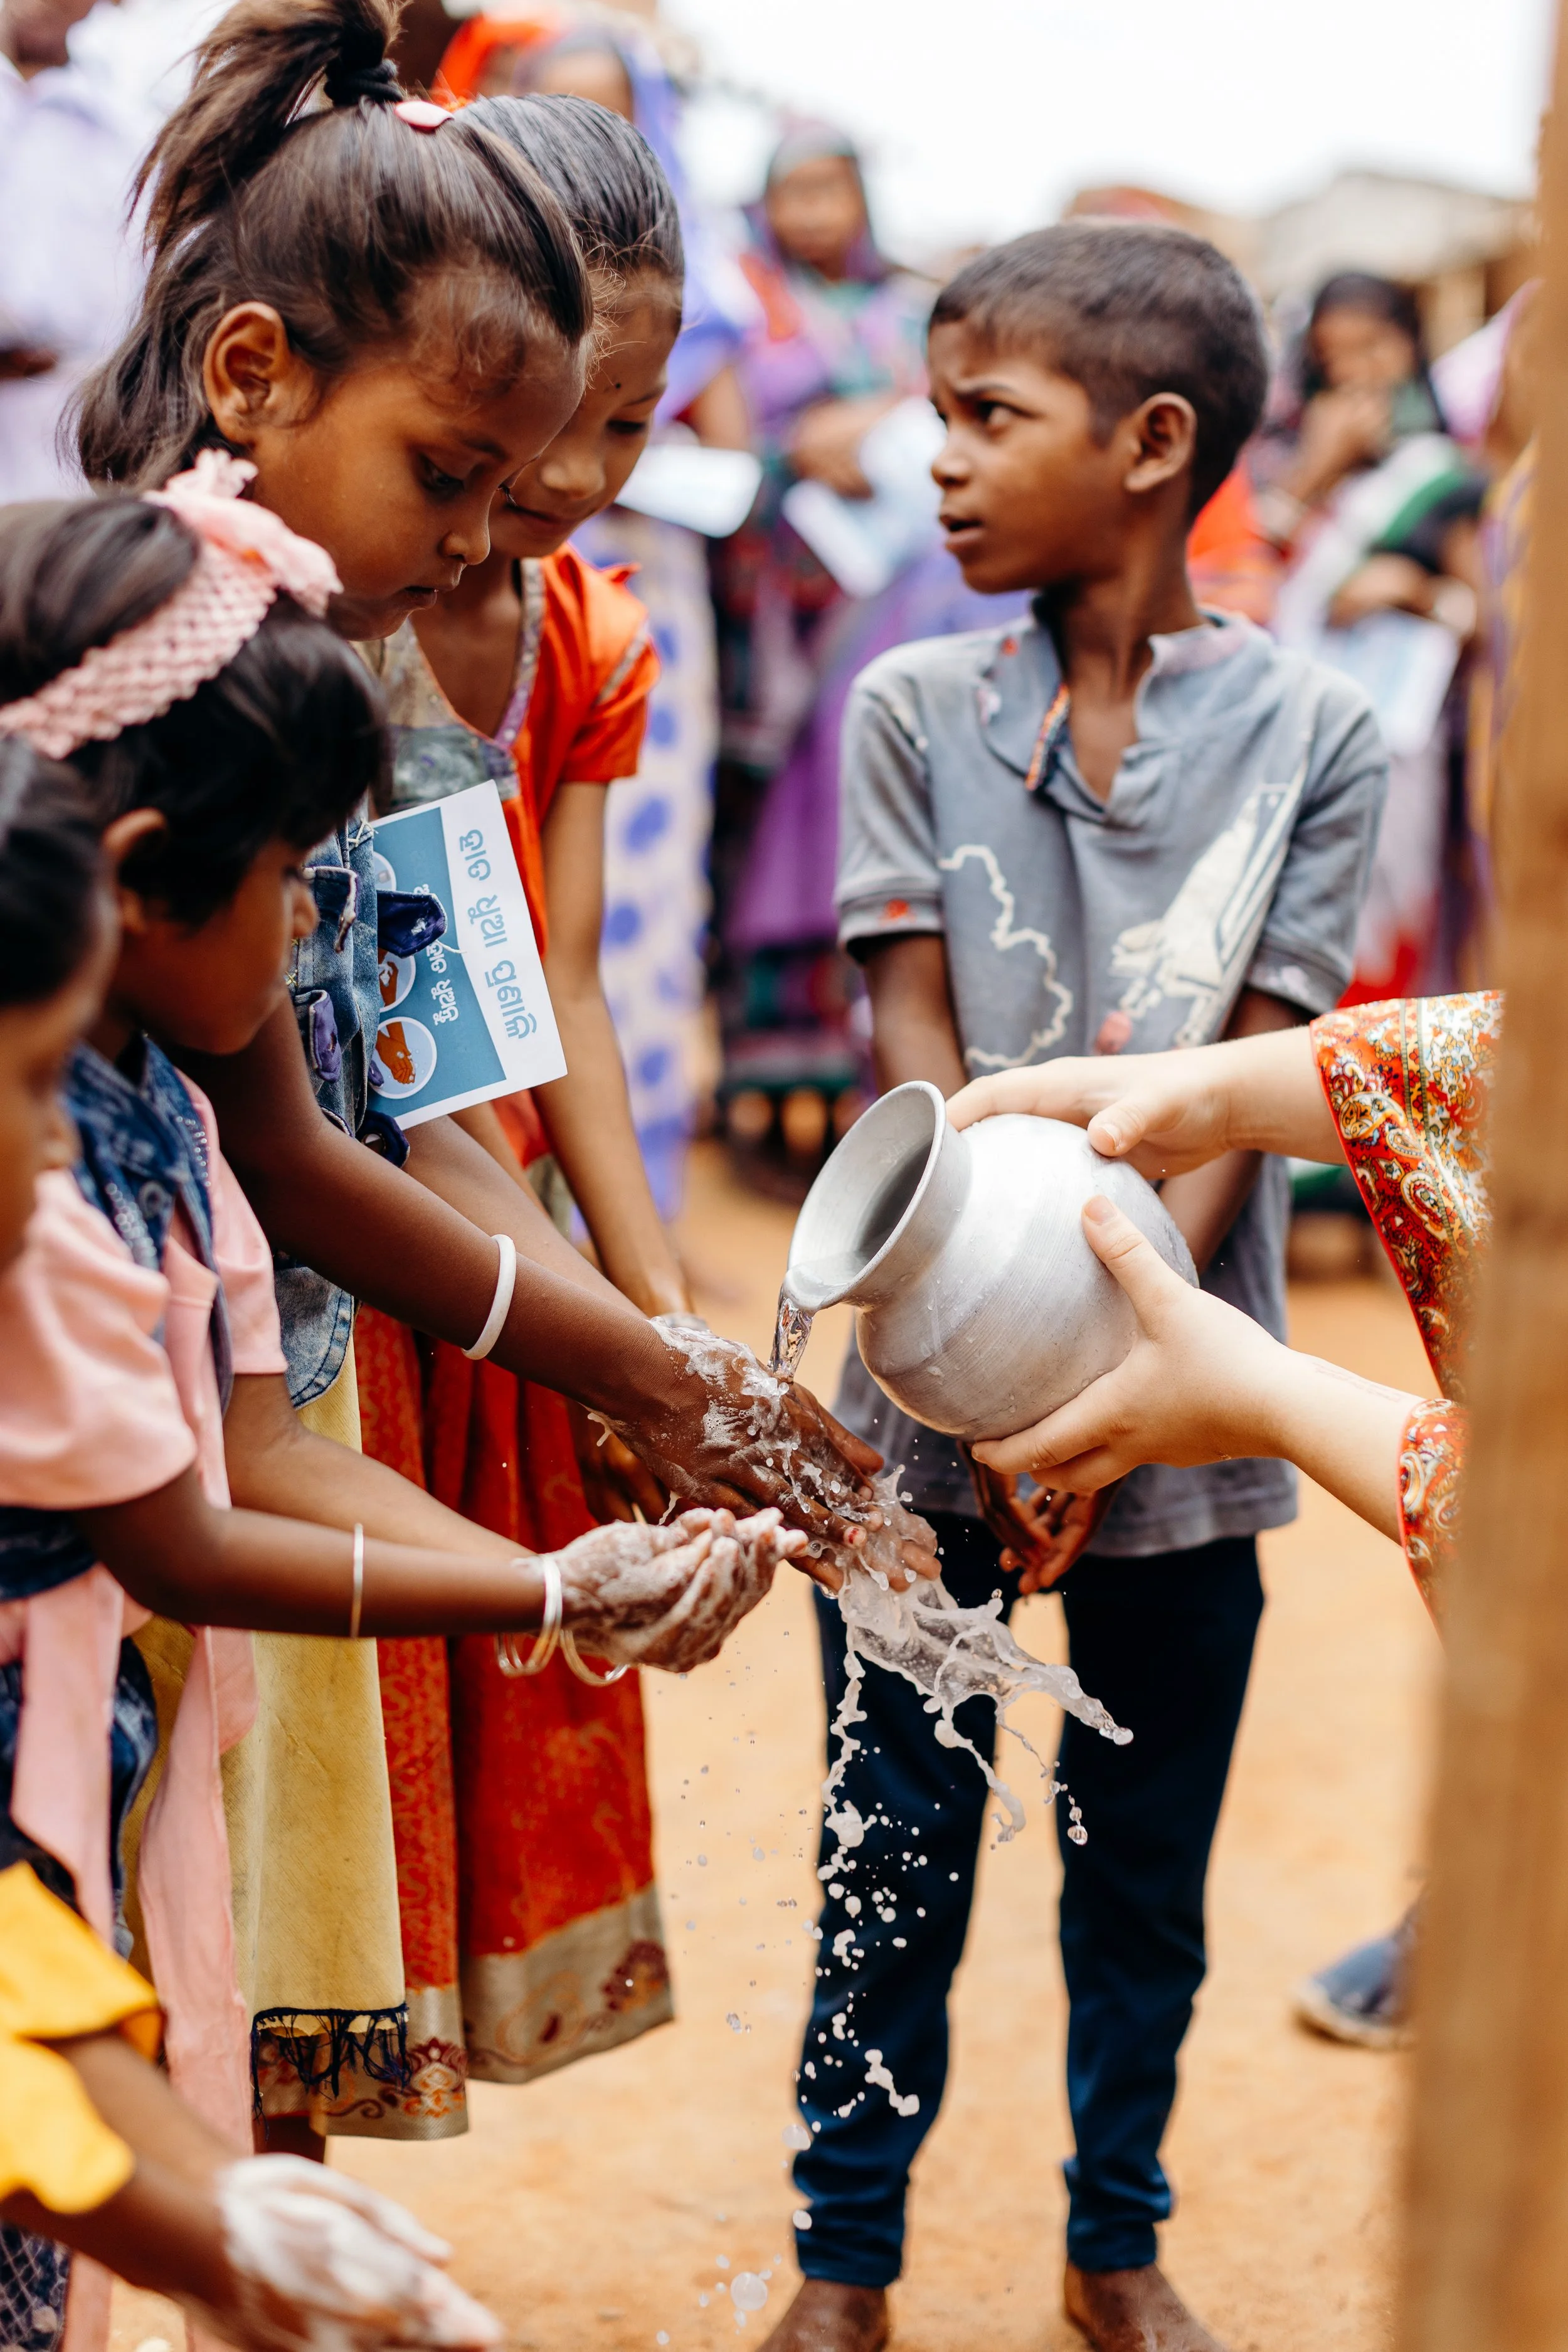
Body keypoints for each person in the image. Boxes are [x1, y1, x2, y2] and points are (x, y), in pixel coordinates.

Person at [73, 0, 908, 2144]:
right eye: (467, 470)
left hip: (268, 1384)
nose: (508, 521)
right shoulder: (144, 675)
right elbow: (281, 1142)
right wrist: (638, 1376)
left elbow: (417, 1091)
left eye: (590, 438)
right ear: (259, 372)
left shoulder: (386, 676)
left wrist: (654, 1370)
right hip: (139, 1418)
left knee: (208, 1981)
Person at [0, 482, 799, 2333]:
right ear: (129, 875)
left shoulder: (163, 1106)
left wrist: (562, 1572)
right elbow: (187, 1529)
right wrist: (548, 1586)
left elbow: (254, 1452)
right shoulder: (47, 1182)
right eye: (287, 881)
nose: (305, 936)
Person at [764, 220, 1388, 2352]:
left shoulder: (1319, 732)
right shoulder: (915, 706)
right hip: (929, 1392)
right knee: (889, 1858)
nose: (933, 458)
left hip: (1192, 1409)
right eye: (938, 410)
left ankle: (1113, 2248)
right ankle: (845, 2270)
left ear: (1151, 445)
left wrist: (1119, 1381)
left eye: (984, 416)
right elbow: (914, 1084)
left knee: (1145, 1874)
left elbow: (1245, 1092)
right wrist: (974, 1387)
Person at [0, 768, 505, 2352]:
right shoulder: (75, 1241)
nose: (46, 1149)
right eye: (23, 1084)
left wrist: (218, 2219)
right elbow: (188, 1530)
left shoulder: (148, 1130)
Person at [349, 89, 708, 2137]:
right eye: (536, 426)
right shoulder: (330, 607)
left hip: (486, 1221)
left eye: (629, 428)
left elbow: (541, 992)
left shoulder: (583, 634)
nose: (572, 480)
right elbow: (368, 1078)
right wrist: (612, 1331)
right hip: (360, 1228)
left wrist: (645, 1319)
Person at [714, 122, 1023, 1170]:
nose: (810, 213)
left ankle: (871, 1100)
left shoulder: (908, 311)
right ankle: (768, 1099)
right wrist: (797, 449)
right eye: (790, 191)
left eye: (828, 190)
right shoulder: (745, 304)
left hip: (913, 589)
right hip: (792, 606)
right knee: (797, 821)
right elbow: (716, 437)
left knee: (902, 805)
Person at [1259, 273, 1486, 1002]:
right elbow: (1240, 585)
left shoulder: (1442, 478)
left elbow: (1483, 617)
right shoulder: (1274, 462)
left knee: (1373, 958)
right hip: (1277, 744)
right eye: (1335, 353)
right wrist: (1313, 472)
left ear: (1408, 347)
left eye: (1372, 348)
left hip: (1391, 756)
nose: (1355, 370)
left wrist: (1412, 592)